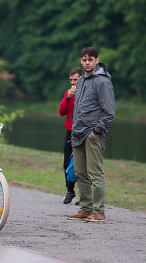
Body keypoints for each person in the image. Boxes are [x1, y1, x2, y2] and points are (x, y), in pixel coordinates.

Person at [68, 47, 115, 222]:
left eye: (90, 59)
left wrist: (96, 131)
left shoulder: (102, 82)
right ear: (81, 61)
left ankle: (99, 212)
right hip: (77, 133)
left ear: (97, 60)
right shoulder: (80, 81)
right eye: (84, 60)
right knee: (80, 173)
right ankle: (86, 209)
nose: (87, 63)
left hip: (92, 134)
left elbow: (109, 112)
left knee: (95, 173)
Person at [59, 67, 82, 204]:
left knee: (83, 165)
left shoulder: (86, 93)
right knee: (67, 163)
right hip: (70, 132)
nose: (73, 83)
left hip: (83, 132)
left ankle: (85, 196)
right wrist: (67, 98)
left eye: (76, 80)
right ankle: (70, 191)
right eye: (71, 80)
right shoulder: (69, 93)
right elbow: (61, 112)